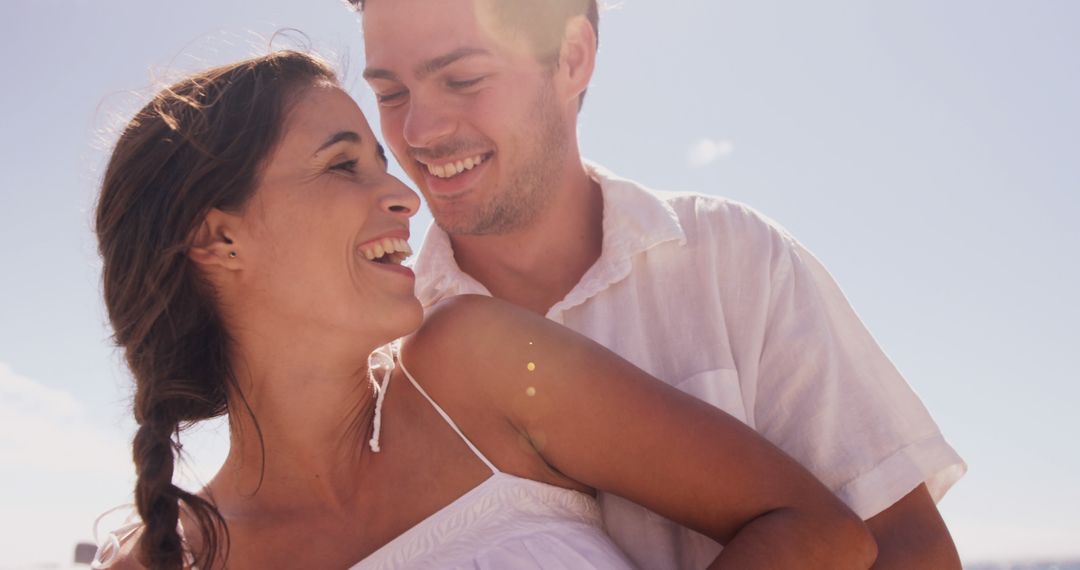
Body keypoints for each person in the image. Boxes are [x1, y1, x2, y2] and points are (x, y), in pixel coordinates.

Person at [91, 50, 876, 569]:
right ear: (219, 239)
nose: (403, 197)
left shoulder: (477, 365)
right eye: (341, 166)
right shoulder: (161, 559)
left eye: (382, 164)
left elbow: (818, 530)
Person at [352, 0, 968, 568]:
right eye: (390, 92)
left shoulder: (734, 258)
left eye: (463, 79)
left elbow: (904, 545)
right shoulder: (378, 354)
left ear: (571, 59)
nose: (418, 132)